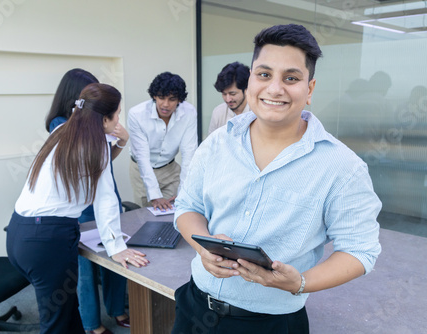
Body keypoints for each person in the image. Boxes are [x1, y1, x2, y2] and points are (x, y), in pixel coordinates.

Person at [172, 24, 382, 334]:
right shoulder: (217, 143)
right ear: (251, 80)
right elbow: (188, 206)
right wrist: (204, 249)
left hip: (270, 322)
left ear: (309, 90)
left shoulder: (342, 167)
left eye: (291, 78)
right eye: (264, 74)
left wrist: (300, 282)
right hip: (194, 306)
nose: (275, 88)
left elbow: (360, 250)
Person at [7, 83, 149, 334]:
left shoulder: (63, 130)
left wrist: (120, 142)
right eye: (117, 114)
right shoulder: (96, 147)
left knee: (67, 314)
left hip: (20, 233)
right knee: (57, 325)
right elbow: (106, 202)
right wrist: (117, 248)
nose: (119, 120)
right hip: (47, 242)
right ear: (105, 118)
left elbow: (90, 169)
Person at [44, 69, 131, 334]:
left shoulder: (97, 119)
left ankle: (117, 309)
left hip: (106, 194)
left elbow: (101, 163)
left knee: (117, 252)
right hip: (81, 205)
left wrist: (121, 143)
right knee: (84, 267)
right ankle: (91, 322)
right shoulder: (62, 123)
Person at [128, 71, 198, 210]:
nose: (165, 104)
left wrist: (184, 192)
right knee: (146, 215)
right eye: (161, 97)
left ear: (179, 100)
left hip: (170, 170)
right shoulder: (137, 114)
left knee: (175, 211)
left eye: (172, 99)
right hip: (141, 170)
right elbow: (142, 157)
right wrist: (154, 195)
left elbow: (189, 154)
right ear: (154, 96)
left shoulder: (189, 112)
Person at [208, 61, 251, 135]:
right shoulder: (218, 112)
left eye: (232, 94)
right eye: (224, 94)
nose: (228, 99)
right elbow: (210, 144)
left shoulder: (257, 113)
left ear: (246, 89)